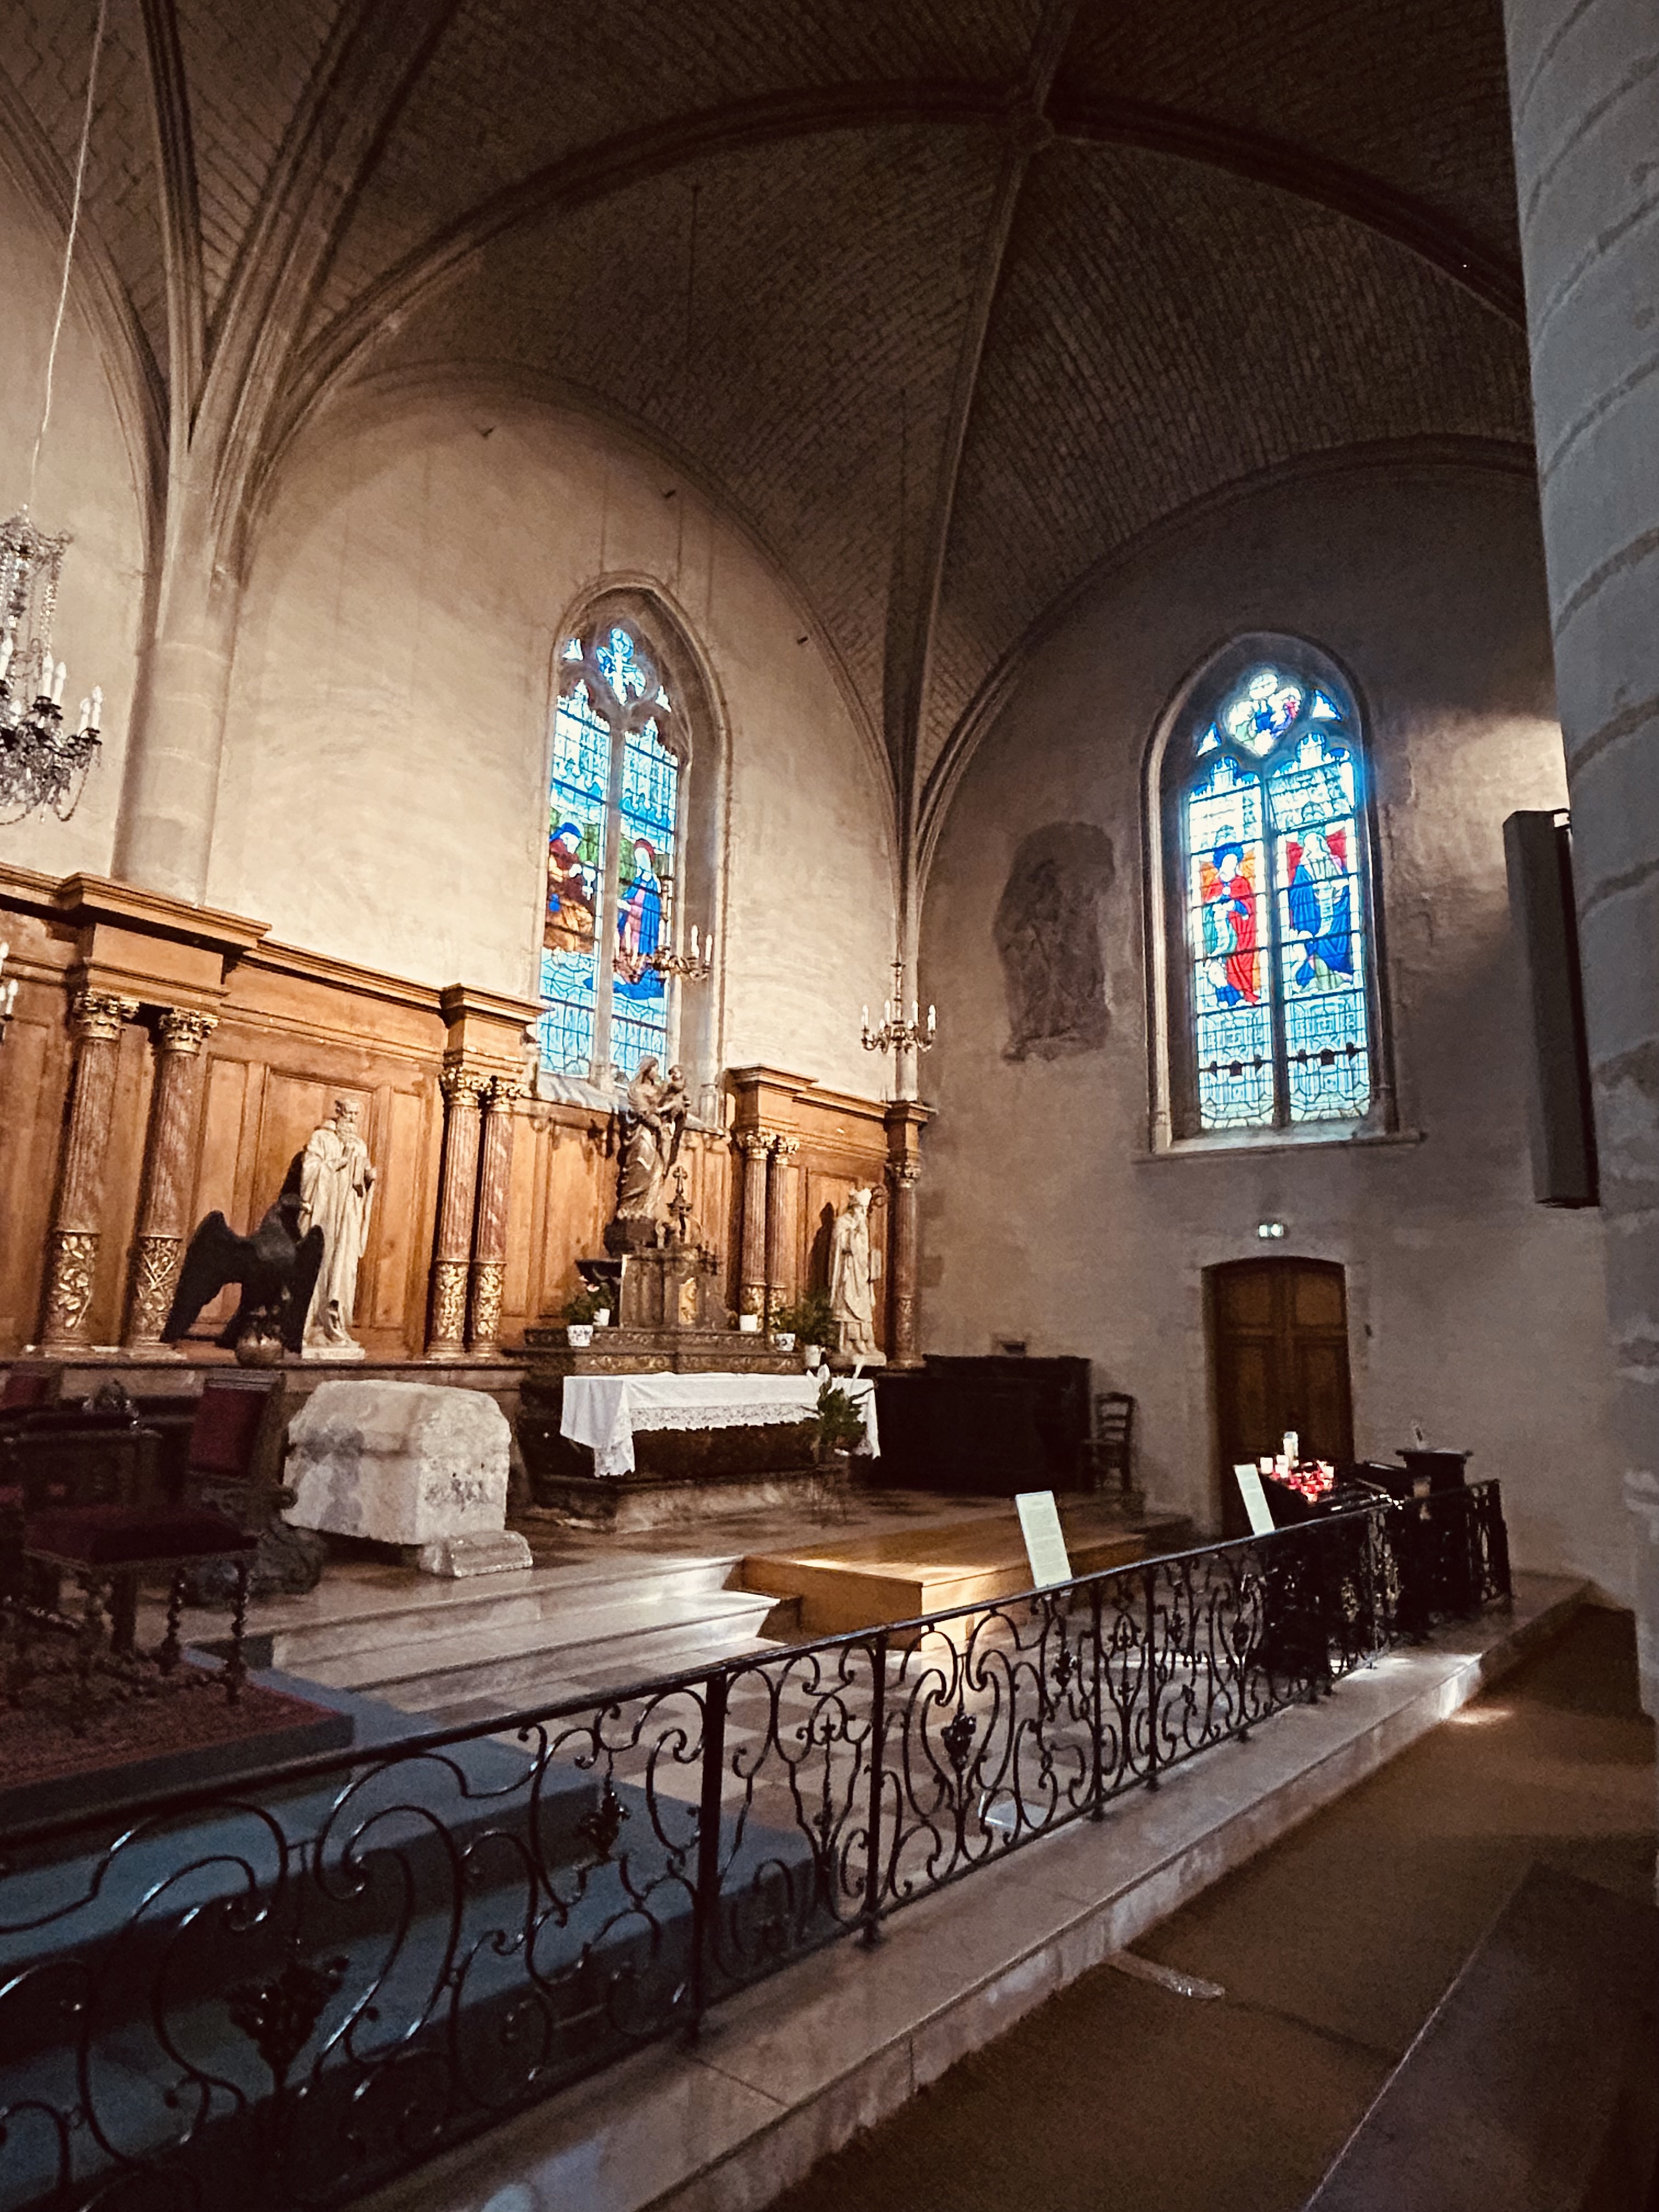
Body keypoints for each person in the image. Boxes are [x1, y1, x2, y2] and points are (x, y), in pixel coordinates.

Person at [297, 1097, 376, 1353]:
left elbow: (359, 1186)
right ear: (339, 1113)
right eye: (349, 1113)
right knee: (321, 1265)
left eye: (356, 1114)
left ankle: (336, 1324)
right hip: (325, 1214)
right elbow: (310, 1171)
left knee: (344, 1270)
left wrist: (368, 1179)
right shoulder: (322, 1139)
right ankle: (312, 1326)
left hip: (348, 1216)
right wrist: (336, 1164)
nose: (353, 1119)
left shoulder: (359, 1145)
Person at [615, 1057, 686, 1221]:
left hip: (659, 1138)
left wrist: (677, 1110)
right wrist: (656, 1122)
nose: (656, 1072)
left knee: (656, 1172)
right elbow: (641, 1112)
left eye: (657, 1068)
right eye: (654, 1068)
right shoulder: (637, 1090)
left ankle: (647, 1210)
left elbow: (673, 1105)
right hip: (643, 1134)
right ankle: (630, 1208)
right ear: (646, 1070)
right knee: (640, 1167)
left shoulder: (660, 1091)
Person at [830, 1186, 882, 1363]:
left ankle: (866, 1341)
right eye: (861, 1209)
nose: (863, 1213)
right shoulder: (843, 1222)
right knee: (847, 1305)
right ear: (854, 1207)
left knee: (864, 1306)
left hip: (861, 1274)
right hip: (848, 1272)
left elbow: (865, 1248)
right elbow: (840, 1245)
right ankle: (850, 1341)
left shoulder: (863, 1225)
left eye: (865, 1210)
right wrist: (854, 1234)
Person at [545, 820, 595, 951]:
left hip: (570, 900)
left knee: (587, 918)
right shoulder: (552, 850)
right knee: (567, 932)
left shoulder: (573, 858)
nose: (576, 847)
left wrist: (585, 888)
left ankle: (575, 946)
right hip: (554, 899)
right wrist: (569, 873)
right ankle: (564, 948)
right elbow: (552, 873)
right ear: (566, 837)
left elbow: (578, 884)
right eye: (574, 843)